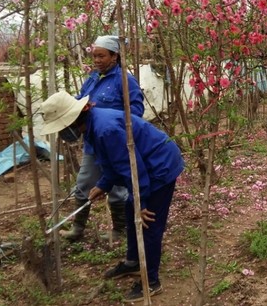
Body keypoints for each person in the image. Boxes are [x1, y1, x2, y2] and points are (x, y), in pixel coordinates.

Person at [39, 91, 184, 302]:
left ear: (72, 119)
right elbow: (112, 162)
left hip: (160, 166)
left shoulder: (105, 129)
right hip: (146, 165)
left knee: (147, 221)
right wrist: (103, 185)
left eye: (61, 128)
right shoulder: (93, 127)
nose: (62, 133)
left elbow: (132, 168)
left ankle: (151, 281)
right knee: (129, 207)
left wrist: (141, 202)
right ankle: (133, 262)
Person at [62, 35, 145, 242]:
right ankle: (78, 228)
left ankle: (119, 229)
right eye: (95, 56)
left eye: (102, 56)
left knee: (117, 188)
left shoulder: (125, 81)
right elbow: (79, 102)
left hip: (114, 143)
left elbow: (136, 109)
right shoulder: (92, 78)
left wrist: (112, 122)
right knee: (84, 183)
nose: (97, 60)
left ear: (114, 56)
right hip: (93, 143)